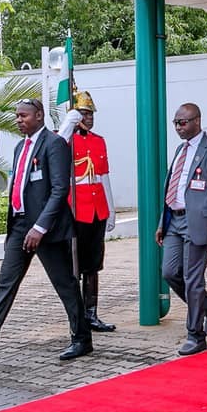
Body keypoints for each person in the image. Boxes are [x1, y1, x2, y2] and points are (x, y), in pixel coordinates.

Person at [0, 99, 92, 365]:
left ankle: (82, 338)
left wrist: (40, 227)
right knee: (6, 283)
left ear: (39, 116)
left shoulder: (54, 144)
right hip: (19, 225)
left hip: (46, 229)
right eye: (16, 115)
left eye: (23, 115)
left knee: (65, 284)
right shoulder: (19, 147)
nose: (18, 120)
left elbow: (60, 190)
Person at [156, 103, 207, 356]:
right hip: (174, 221)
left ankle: (195, 335)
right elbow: (171, 187)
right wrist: (161, 223)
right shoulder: (180, 149)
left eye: (183, 122)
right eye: (176, 122)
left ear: (197, 121)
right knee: (169, 271)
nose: (178, 127)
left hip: (200, 224)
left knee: (193, 279)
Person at [57, 91, 118, 333]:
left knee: (93, 264)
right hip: (75, 209)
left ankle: (92, 314)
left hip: (96, 209)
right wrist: (68, 123)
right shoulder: (66, 140)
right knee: (74, 266)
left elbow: (103, 175)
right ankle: (77, 315)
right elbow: (56, 147)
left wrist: (111, 209)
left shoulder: (98, 141)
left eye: (90, 113)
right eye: (83, 113)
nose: (88, 118)